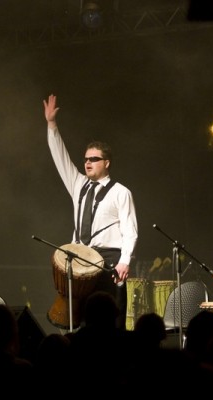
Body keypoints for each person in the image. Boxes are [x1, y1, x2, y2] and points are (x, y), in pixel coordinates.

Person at [43, 94, 139, 329]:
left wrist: (124, 261)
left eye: (94, 159)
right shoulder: (78, 185)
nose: (87, 163)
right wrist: (52, 125)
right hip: (81, 258)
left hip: (109, 261)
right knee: (84, 320)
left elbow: (130, 230)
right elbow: (60, 158)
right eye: (86, 159)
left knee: (110, 319)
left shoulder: (121, 192)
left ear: (107, 163)